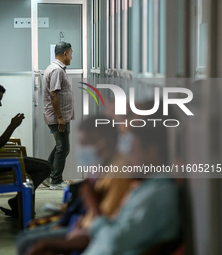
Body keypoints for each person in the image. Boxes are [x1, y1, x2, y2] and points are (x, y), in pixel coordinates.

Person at [25, 119, 182, 255]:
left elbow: (114, 240)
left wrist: (93, 207)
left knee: (31, 243)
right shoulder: (144, 187)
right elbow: (115, 227)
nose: (128, 160)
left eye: (133, 152)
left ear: (152, 152)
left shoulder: (156, 195)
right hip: (93, 242)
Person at [16, 116, 131, 255]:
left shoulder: (117, 172)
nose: (83, 149)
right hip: (82, 224)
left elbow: (103, 221)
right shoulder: (103, 165)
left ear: (108, 142)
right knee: (26, 235)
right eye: (81, 143)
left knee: (27, 241)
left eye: (88, 143)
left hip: (89, 232)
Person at [0, 81, 51, 217]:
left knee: (45, 165)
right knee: (46, 168)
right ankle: (18, 202)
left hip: (0, 161)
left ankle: (18, 202)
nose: (0, 104)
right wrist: (12, 126)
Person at [43, 41, 74, 190]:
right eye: (71, 53)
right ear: (65, 54)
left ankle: (47, 175)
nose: (71, 57)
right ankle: (55, 181)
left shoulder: (55, 68)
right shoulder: (57, 70)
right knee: (63, 148)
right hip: (58, 117)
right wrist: (60, 117)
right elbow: (53, 94)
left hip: (60, 116)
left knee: (60, 147)